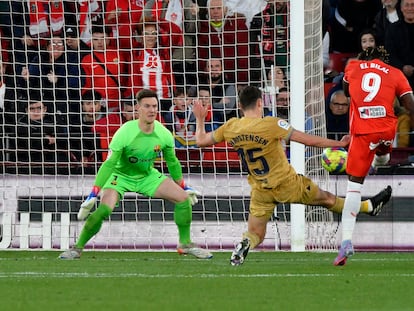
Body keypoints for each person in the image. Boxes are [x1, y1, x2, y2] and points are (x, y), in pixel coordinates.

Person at [193, 85, 392, 266]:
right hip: (288, 184)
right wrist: (339, 144)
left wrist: (201, 119)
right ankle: (368, 207)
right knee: (328, 199)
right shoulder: (271, 124)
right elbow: (307, 140)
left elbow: (200, 140)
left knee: (256, 234)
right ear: (261, 103)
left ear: (239, 105)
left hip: (260, 189)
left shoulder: (230, 127)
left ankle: (245, 242)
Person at [59, 89, 212, 260]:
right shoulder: (125, 132)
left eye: (154, 106)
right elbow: (109, 164)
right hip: (120, 175)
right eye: (147, 106)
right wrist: (94, 192)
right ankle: (77, 248)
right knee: (103, 210)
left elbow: (172, 162)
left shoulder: (163, 133)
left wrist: (183, 185)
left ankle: (185, 244)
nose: (152, 110)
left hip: (147, 175)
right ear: (138, 109)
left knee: (183, 199)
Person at [335, 46, 414, 266]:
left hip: (362, 132)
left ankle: (347, 242)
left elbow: (347, 91)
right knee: (383, 157)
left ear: (363, 57)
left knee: (353, 187)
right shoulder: (395, 72)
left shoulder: (353, 66)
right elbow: (409, 104)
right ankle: (379, 160)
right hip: (387, 129)